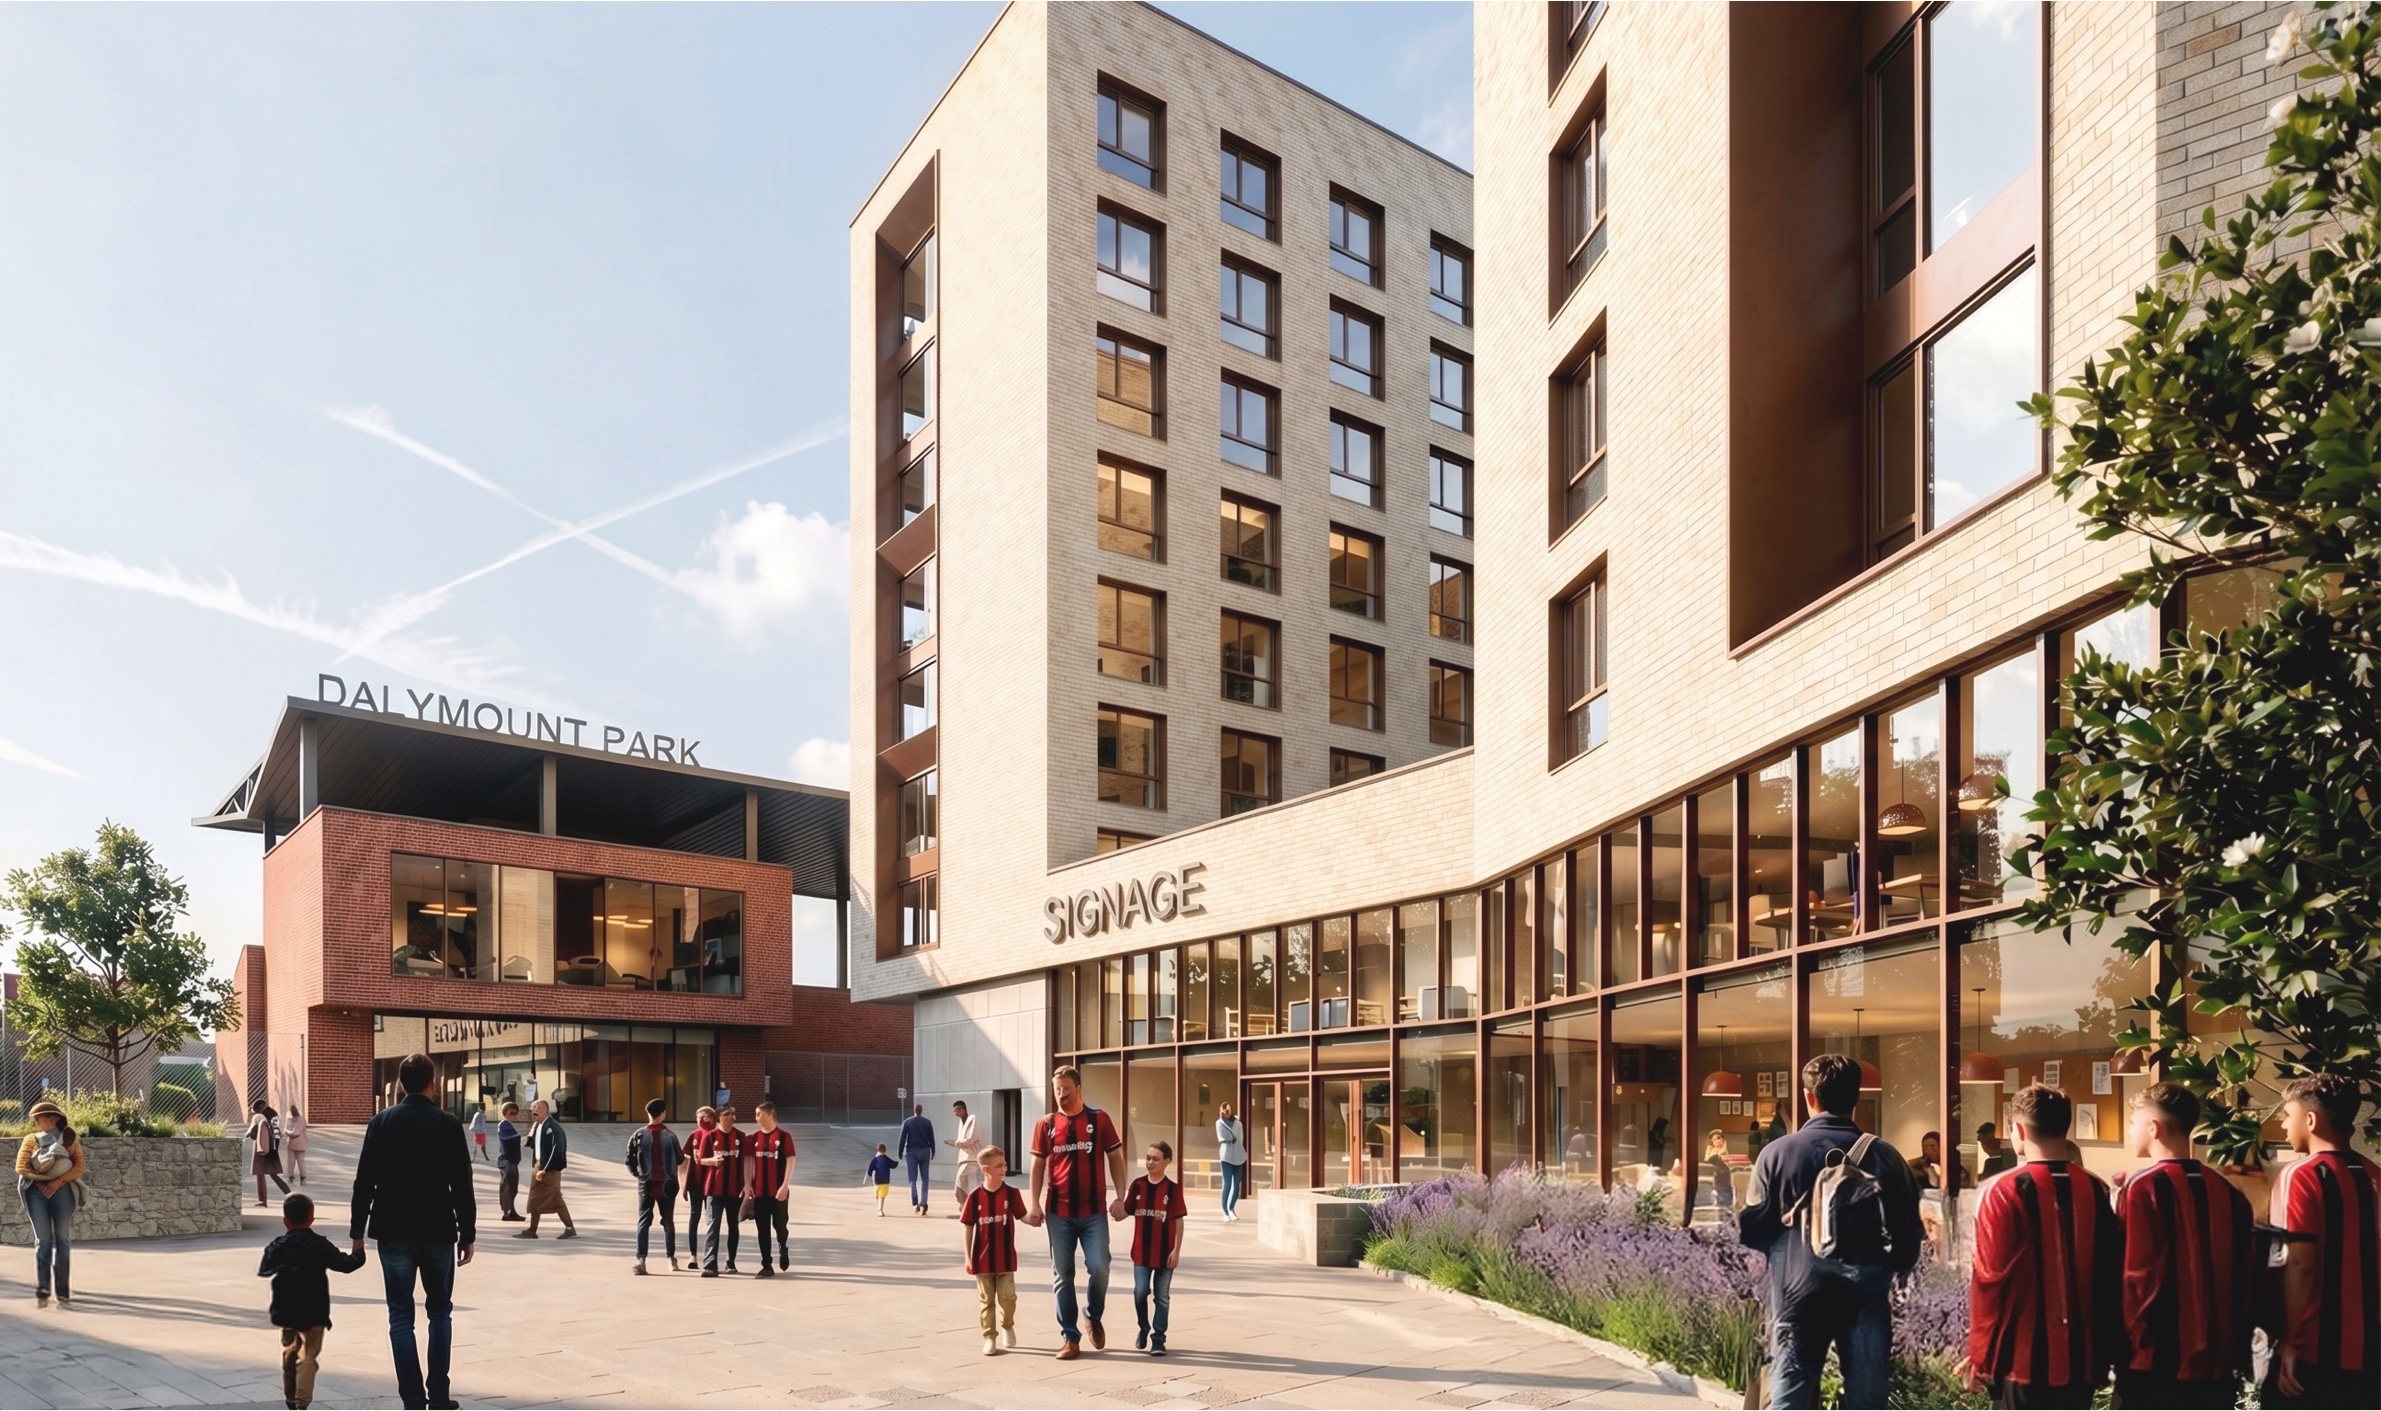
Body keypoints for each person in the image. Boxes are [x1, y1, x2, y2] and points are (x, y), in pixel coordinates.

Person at [1738, 1053, 1924, 1410]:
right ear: (1856, 1097)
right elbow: (1908, 1238)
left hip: (1795, 1294)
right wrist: (1885, 1273)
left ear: (1810, 1098)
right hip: (1865, 1297)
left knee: (1788, 1397)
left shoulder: (1775, 1155)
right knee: (1867, 1401)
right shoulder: (1887, 1157)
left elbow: (1753, 1234)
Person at [1965, 1084, 2121, 1409]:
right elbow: (2111, 1274)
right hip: (2083, 1354)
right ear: (2066, 1127)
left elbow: (1990, 1280)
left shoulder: (2001, 1190)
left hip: (2020, 1357)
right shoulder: (2096, 1188)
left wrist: (1981, 1355)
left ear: (2019, 1131)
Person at [2111, 1082, 2252, 1409]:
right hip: (2216, 1361)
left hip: (2152, 1361)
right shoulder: (2227, 1191)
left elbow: (2130, 1277)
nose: (2130, 1130)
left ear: (2153, 1128)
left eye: (2133, 1122)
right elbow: (2245, 1273)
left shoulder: (2140, 1188)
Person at [349, 1051, 476, 1411]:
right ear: (433, 1083)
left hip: (392, 1230)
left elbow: (364, 1183)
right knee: (440, 1313)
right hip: (437, 1229)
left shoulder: (381, 1123)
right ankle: (438, 1395)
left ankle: (412, 1399)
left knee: (400, 1316)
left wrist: (357, 1231)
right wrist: (468, 1232)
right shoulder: (448, 1124)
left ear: (401, 1083)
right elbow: (461, 1184)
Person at [2267, 1073, 2380, 1409]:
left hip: (2313, 1350)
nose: (2284, 1126)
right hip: (2371, 1351)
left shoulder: (2299, 1175)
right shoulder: (2376, 1174)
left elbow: (2299, 1263)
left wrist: (2288, 1341)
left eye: (2288, 1115)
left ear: (2311, 1120)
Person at [1029, 1063, 1127, 1360]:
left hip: (1094, 1211)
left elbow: (1116, 1159)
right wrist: (1033, 1203)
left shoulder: (1099, 1120)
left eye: (1066, 1089)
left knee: (1100, 1267)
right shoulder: (1045, 1124)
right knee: (1063, 1274)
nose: (1061, 1095)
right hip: (1058, 1212)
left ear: (1079, 1088)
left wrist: (1121, 1197)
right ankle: (1070, 1338)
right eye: (1057, 1090)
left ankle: (1092, 1314)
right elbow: (1037, 1165)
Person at [259, 1191, 368, 1410]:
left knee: (289, 1352)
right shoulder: (319, 1244)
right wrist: (359, 1252)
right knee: (308, 1355)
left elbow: (265, 1269)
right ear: (311, 1219)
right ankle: (302, 1401)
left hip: (286, 1308)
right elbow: (345, 1264)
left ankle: (290, 1398)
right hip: (314, 1309)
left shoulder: (278, 1245)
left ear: (285, 1220)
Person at [15, 1098, 84, 1308]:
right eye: (38, 1118)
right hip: (38, 1192)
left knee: (60, 1239)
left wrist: (57, 1182)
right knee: (44, 1241)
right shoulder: (31, 1139)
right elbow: (21, 1166)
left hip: (61, 1192)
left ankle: (61, 1293)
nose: (38, 1121)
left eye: (41, 1117)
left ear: (54, 1118)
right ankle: (44, 1290)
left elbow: (80, 1166)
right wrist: (46, 1181)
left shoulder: (69, 1138)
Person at [1120, 1141, 1187, 1355]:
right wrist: (1114, 1207)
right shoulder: (1138, 1185)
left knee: (1162, 1296)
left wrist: (1176, 1250)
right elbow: (1126, 1210)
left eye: (1155, 1159)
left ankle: (1158, 1339)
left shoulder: (1173, 1190)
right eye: (1148, 1158)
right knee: (1140, 1292)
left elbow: (1179, 1220)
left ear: (1167, 1161)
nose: (1150, 1162)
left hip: (1164, 1253)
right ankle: (1143, 1327)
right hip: (1140, 1252)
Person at [961, 1145, 1028, 1356]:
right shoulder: (974, 1197)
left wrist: (1035, 1218)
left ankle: (1007, 1325)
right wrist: (968, 1257)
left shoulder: (1012, 1193)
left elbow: (1022, 1215)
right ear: (985, 1169)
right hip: (982, 1261)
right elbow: (968, 1226)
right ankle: (989, 1337)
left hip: (1006, 1259)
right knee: (986, 1301)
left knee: (1008, 1298)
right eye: (999, 1165)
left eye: (1005, 1164)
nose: (1004, 1168)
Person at [625, 1098, 682, 1275]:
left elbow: (629, 1160)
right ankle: (670, 1257)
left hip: (646, 1184)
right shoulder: (671, 1136)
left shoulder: (638, 1135)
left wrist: (639, 1175)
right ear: (663, 1113)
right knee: (668, 1221)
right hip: (667, 1183)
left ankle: (640, 1258)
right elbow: (679, 1158)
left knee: (643, 1221)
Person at [687, 1104, 745, 1275]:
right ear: (719, 1118)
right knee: (713, 1225)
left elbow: (747, 1162)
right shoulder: (711, 1136)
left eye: (733, 1114)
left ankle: (731, 1262)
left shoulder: (741, 1137)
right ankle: (710, 1264)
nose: (731, 1117)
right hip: (714, 1189)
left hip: (735, 1189)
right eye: (727, 1114)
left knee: (733, 1225)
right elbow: (700, 1160)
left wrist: (747, 1185)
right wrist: (711, 1160)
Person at [747, 1100, 797, 1278]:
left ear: (770, 1114)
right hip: (760, 1192)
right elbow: (749, 1161)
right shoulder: (754, 1138)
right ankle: (766, 1264)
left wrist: (785, 1185)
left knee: (780, 1226)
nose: (756, 1117)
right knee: (762, 1228)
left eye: (759, 1114)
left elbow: (791, 1160)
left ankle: (783, 1247)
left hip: (778, 1192)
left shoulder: (784, 1137)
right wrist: (748, 1185)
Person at [517, 1098, 576, 1239]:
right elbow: (532, 1144)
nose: (533, 1111)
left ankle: (570, 1228)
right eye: (532, 1108)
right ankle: (532, 1230)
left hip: (549, 1169)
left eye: (535, 1108)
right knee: (534, 1199)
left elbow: (558, 1149)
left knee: (556, 1199)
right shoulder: (539, 1126)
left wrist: (546, 1168)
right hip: (539, 1166)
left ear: (544, 1109)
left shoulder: (554, 1127)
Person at [249, 1098, 293, 1208]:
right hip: (271, 1147)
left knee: (260, 1173)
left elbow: (253, 1134)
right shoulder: (273, 1115)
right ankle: (290, 1194)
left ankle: (262, 1200)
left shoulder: (259, 1118)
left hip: (261, 1147)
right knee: (273, 1174)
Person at [899, 1103, 937, 1215]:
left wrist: (900, 1152)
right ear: (922, 1110)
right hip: (925, 1151)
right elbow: (932, 1138)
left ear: (914, 1110)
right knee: (925, 1179)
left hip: (911, 1151)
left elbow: (902, 1139)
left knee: (912, 1178)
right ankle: (924, 1202)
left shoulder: (907, 1122)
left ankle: (915, 1201)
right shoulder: (927, 1122)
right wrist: (933, 1151)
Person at [1215, 1100, 1248, 1223]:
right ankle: (1225, 1211)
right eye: (1224, 1110)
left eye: (1228, 1110)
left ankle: (1231, 1208)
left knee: (1236, 1184)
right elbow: (1223, 1138)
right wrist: (1231, 1139)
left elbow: (1240, 1139)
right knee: (1227, 1183)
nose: (1226, 1112)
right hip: (1226, 1157)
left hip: (1239, 1155)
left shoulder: (1238, 1124)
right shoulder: (1219, 1123)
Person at [948, 1100, 983, 1206]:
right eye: (954, 1111)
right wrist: (957, 1143)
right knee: (965, 1182)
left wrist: (957, 1143)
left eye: (958, 1110)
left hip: (972, 1156)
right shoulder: (961, 1122)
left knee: (965, 1179)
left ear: (964, 1109)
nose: (956, 1113)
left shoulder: (972, 1118)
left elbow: (971, 1138)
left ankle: (971, 1203)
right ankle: (968, 1204)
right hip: (964, 1156)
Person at [494, 1103, 523, 1222]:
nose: (514, 1116)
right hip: (507, 1160)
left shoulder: (507, 1125)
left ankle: (511, 1210)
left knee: (512, 1187)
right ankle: (507, 1212)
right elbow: (509, 1139)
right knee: (508, 1186)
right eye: (511, 1113)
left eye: (515, 1114)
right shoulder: (504, 1125)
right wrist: (524, 1137)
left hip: (510, 1160)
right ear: (504, 1113)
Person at [1703, 1130, 1735, 1215]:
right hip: (1715, 1178)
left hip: (1724, 1179)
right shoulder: (1711, 1150)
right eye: (1714, 1139)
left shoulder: (1724, 1151)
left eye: (1719, 1138)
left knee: (1726, 1202)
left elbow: (1726, 1160)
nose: (1718, 1140)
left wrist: (1724, 1147)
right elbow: (1707, 1161)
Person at [284, 1106, 311, 1187]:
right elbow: (286, 1129)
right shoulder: (290, 1119)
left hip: (299, 1143)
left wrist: (288, 1133)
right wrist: (288, 1132)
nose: (293, 1112)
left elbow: (296, 1132)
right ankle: (291, 1176)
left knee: (300, 1161)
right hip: (291, 1143)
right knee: (291, 1162)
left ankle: (303, 1177)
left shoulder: (301, 1120)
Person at [868, 1143, 895, 1216]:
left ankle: (879, 1209)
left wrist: (869, 1174)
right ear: (885, 1150)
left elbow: (870, 1169)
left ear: (877, 1150)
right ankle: (880, 1209)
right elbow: (893, 1164)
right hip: (885, 1180)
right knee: (882, 1196)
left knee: (877, 1195)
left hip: (877, 1180)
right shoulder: (886, 1158)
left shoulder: (875, 1159)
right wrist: (897, 1162)